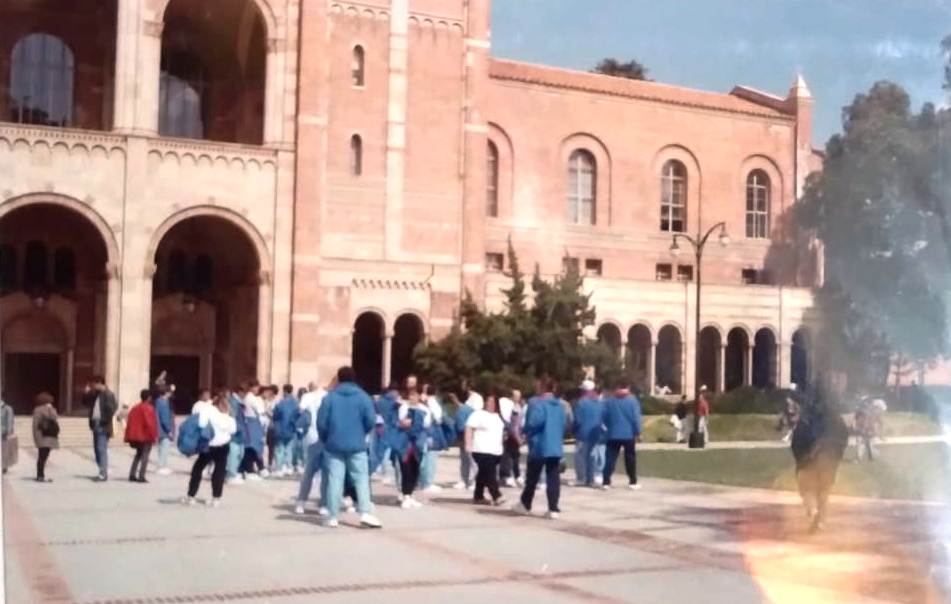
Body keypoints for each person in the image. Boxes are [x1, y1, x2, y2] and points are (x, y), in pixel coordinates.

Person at [316, 366, 382, 528]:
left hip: (334, 444)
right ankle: (365, 512)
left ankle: (332, 516)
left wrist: (326, 438)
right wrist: (361, 433)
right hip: (357, 444)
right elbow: (370, 420)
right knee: (361, 479)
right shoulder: (363, 397)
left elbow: (321, 422)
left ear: (338, 379)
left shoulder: (330, 398)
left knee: (334, 480)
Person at [791, 382, 848, 533]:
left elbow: (798, 440)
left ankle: (813, 512)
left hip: (808, 460)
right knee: (824, 491)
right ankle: (821, 520)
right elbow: (842, 438)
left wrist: (801, 459)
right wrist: (836, 456)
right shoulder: (836, 418)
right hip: (829, 460)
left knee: (807, 489)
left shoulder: (807, 417)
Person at [513, 378, 567, 519]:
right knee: (553, 477)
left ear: (542, 388)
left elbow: (534, 422)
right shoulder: (560, 406)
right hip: (555, 445)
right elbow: (565, 424)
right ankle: (553, 508)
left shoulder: (537, 403)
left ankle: (525, 504)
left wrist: (524, 432)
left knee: (532, 477)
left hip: (540, 444)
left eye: (537, 386)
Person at [184, 390, 237, 507]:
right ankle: (216, 498)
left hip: (209, 444)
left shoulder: (208, 411)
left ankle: (191, 495)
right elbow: (233, 430)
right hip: (224, 444)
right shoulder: (229, 416)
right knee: (219, 471)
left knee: (198, 469)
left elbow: (202, 424)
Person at [295, 379, 330, 515]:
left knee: (309, 471)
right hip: (327, 437)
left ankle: (301, 502)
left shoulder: (307, 396)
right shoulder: (328, 396)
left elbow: (300, 410)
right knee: (326, 473)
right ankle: (324, 504)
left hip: (312, 435)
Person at [601, 378, 642, 490]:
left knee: (610, 458)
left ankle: (606, 481)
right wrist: (638, 432)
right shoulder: (632, 401)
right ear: (628, 387)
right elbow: (635, 419)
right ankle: (632, 481)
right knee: (630, 459)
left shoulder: (609, 401)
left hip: (613, 433)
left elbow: (603, 417)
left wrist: (607, 427)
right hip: (628, 434)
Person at [466, 392, 506, 506]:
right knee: (490, 473)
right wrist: (468, 443)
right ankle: (496, 495)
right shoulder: (478, 414)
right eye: (487, 401)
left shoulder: (498, 416)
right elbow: (469, 428)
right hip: (481, 449)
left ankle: (478, 495)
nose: (489, 404)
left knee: (483, 473)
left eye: (492, 402)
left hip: (495, 450)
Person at [394, 388, 430, 508]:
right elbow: (401, 422)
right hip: (405, 443)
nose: (412, 398)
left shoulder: (424, 409)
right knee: (406, 468)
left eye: (414, 395)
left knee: (415, 468)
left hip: (418, 443)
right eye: (410, 395)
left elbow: (427, 424)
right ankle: (405, 495)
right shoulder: (403, 407)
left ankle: (410, 494)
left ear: (419, 396)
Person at [573, 380, 606, 487]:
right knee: (593, 457)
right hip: (595, 434)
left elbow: (577, 420)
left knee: (581, 457)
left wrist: (574, 430)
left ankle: (581, 478)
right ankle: (592, 478)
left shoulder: (581, 403)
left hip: (582, 434)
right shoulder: (600, 403)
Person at [87, 375, 117, 481]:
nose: (93, 386)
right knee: (97, 450)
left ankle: (103, 474)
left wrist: (104, 420)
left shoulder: (108, 394)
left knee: (101, 449)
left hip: (103, 425)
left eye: (95, 384)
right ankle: (102, 469)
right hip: (95, 423)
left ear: (100, 383)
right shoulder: (95, 394)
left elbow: (112, 408)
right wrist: (87, 392)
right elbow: (85, 403)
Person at [124, 389, 158, 483]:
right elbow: (150, 424)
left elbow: (129, 422)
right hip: (145, 436)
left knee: (138, 455)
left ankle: (132, 474)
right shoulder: (149, 408)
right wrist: (154, 436)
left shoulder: (135, 408)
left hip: (135, 436)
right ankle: (141, 476)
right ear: (149, 398)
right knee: (145, 456)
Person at [419, 384, 445, 492]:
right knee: (431, 458)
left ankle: (422, 481)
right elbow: (438, 418)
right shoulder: (433, 402)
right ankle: (427, 483)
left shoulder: (421, 401)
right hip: (432, 431)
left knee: (424, 457)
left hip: (423, 432)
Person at [241, 382, 268, 480]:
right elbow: (261, 412)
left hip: (251, 423)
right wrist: (264, 425)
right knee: (253, 447)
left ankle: (249, 469)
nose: (257, 390)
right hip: (254, 423)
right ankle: (249, 470)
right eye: (256, 387)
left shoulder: (248, 397)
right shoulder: (252, 398)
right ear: (252, 387)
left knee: (251, 446)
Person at [272, 385, 300, 476]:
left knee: (280, 449)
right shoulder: (296, 403)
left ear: (284, 391)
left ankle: (279, 468)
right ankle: (288, 466)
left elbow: (275, 415)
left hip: (281, 428)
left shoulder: (281, 403)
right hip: (291, 429)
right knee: (289, 449)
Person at [499, 388, 524, 487]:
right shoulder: (509, 406)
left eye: (519, 396)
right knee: (507, 456)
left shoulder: (517, 406)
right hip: (510, 433)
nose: (518, 398)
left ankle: (515, 475)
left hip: (514, 433)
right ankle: (507, 476)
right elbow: (512, 423)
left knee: (515, 456)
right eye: (516, 396)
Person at [31, 392, 59, 483]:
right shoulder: (47, 409)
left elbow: (35, 425)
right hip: (46, 436)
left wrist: (35, 437)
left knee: (42, 457)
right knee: (43, 457)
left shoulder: (38, 410)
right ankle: (40, 475)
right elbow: (54, 417)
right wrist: (50, 409)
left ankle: (40, 475)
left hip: (44, 436)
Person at [154, 385, 176, 475]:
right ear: (166, 392)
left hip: (159, 429)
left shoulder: (158, 401)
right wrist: (169, 430)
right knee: (165, 448)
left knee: (161, 448)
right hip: (164, 430)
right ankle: (161, 466)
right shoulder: (163, 403)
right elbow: (165, 418)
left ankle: (162, 465)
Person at [2, 396, 17, 473]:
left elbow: (9, 421)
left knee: (4, 450)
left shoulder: (8, 409)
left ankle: (4, 466)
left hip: (3, 433)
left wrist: (8, 432)